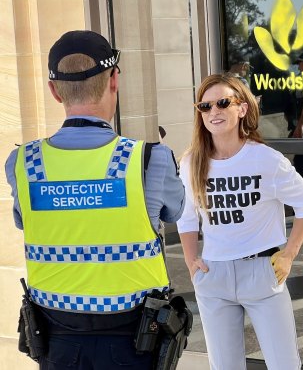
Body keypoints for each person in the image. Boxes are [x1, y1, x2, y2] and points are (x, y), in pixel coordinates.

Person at [4, 30, 185, 369]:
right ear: (114, 79)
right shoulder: (149, 160)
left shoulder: (24, 163)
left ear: (54, 90)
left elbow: (24, 221)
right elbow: (176, 210)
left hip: (56, 342)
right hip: (134, 342)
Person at [177, 73, 303, 370]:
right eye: (205, 106)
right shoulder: (192, 162)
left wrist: (289, 254)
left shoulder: (266, 159)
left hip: (262, 272)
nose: (213, 111)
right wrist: (192, 262)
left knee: (284, 365)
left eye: (223, 102)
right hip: (214, 276)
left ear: (241, 108)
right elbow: (187, 216)